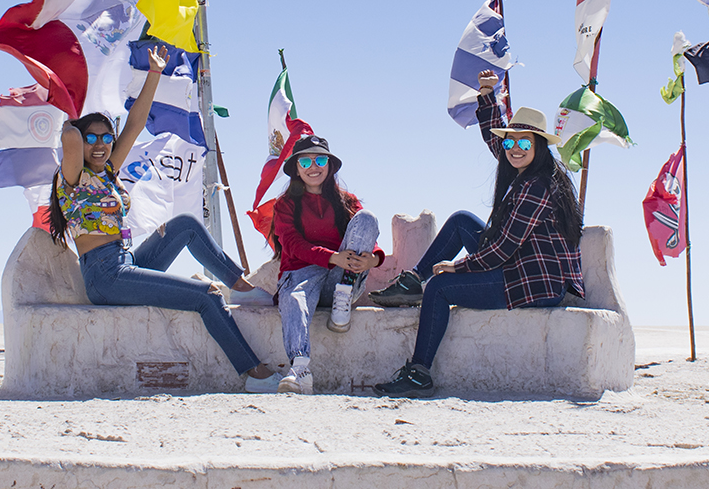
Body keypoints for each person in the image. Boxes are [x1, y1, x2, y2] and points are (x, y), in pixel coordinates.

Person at [47, 43, 280, 394]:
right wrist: (76, 118)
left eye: (106, 137)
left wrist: (155, 72)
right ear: (81, 141)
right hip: (105, 276)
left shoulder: (108, 174)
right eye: (91, 137)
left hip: (125, 262)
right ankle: (253, 373)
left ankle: (242, 287)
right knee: (205, 296)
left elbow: (137, 121)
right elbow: (68, 134)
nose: (100, 144)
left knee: (185, 224)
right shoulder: (73, 178)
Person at [372, 69, 584, 398]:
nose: (513, 148)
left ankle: (418, 373)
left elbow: (503, 248)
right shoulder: (528, 167)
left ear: (539, 145)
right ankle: (413, 280)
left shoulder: (538, 185)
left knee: (440, 288)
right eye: (511, 141)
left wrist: (458, 267)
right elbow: (493, 141)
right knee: (461, 221)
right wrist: (487, 95)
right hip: (521, 265)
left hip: (534, 281)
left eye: (523, 142)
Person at [273, 135, 384, 394]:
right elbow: (292, 244)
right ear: (297, 168)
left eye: (320, 159)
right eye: (305, 161)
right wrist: (332, 257)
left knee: (367, 217)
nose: (314, 166)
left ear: (330, 165)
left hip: (340, 281)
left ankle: (343, 301)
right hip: (302, 276)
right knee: (293, 296)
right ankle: (300, 369)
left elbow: (367, 236)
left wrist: (374, 258)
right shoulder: (285, 204)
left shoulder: (346, 200)